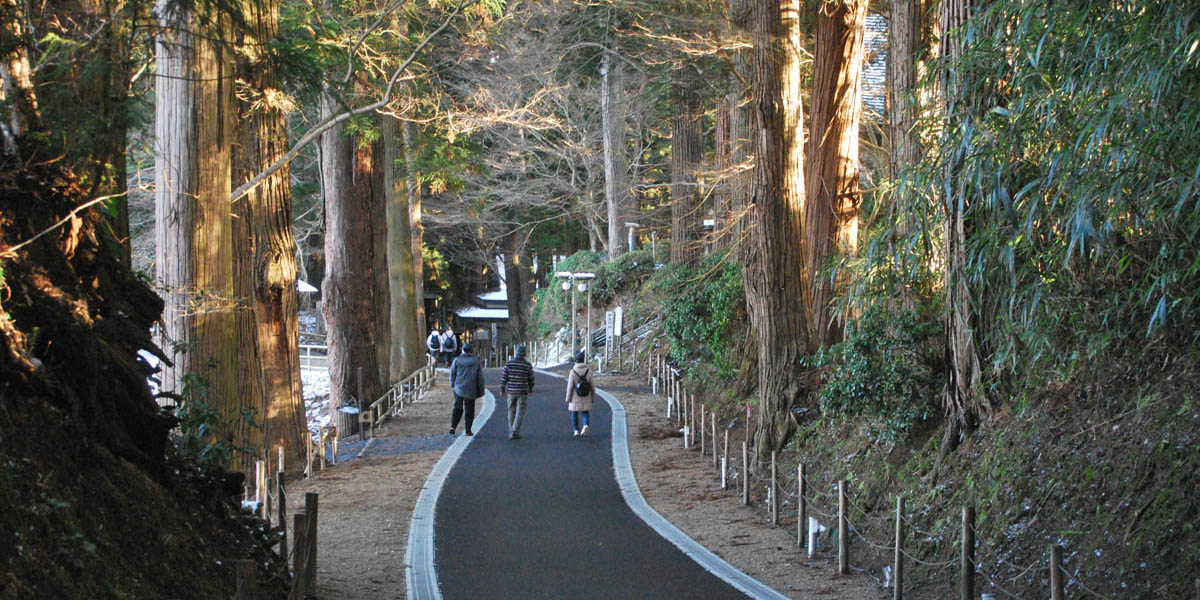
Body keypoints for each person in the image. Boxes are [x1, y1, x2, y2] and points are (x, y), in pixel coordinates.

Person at [499, 345, 535, 440]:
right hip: (522, 391)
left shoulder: (509, 364)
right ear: (524, 354)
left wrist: (502, 389)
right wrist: (531, 389)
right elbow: (531, 379)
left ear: (516, 353)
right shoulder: (527, 365)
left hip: (511, 391)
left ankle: (512, 431)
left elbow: (504, 378)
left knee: (511, 410)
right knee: (520, 412)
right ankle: (514, 431)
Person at [449, 342, 485, 436]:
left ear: (463, 350)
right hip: (471, 388)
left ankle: (453, 427)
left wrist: (452, 383)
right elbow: (480, 377)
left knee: (457, 407)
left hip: (459, 387)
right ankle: (468, 430)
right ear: (472, 351)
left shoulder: (457, 360)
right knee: (470, 410)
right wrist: (481, 389)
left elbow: (452, 372)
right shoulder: (476, 361)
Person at [564, 350, 593, 436]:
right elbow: (592, 385)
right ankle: (586, 425)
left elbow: (570, 386)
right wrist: (593, 397)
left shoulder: (573, 372)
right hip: (586, 394)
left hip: (575, 396)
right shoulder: (588, 371)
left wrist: (568, 398)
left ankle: (576, 430)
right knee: (585, 412)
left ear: (576, 361)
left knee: (574, 413)